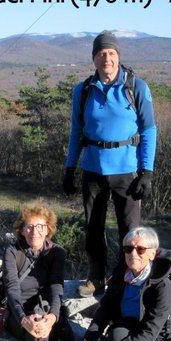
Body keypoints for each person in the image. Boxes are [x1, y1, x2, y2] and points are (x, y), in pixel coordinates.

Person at [63, 30, 157, 298]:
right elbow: (76, 132)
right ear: (94, 58)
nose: (107, 58)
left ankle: (128, 280)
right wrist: (70, 168)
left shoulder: (136, 87)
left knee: (131, 232)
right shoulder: (83, 91)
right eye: (101, 53)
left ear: (118, 56)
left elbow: (149, 130)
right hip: (93, 170)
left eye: (112, 53)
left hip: (127, 171)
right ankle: (95, 278)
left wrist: (147, 171)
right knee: (93, 228)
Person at [2, 203, 66, 341]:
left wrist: (53, 316)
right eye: (29, 226)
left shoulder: (57, 253)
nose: (34, 232)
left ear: (48, 229)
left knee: (62, 334)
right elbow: (11, 288)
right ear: (21, 229)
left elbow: (56, 287)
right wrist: (23, 319)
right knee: (39, 333)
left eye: (40, 226)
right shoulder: (13, 252)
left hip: (46, 309)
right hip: (17, 311)